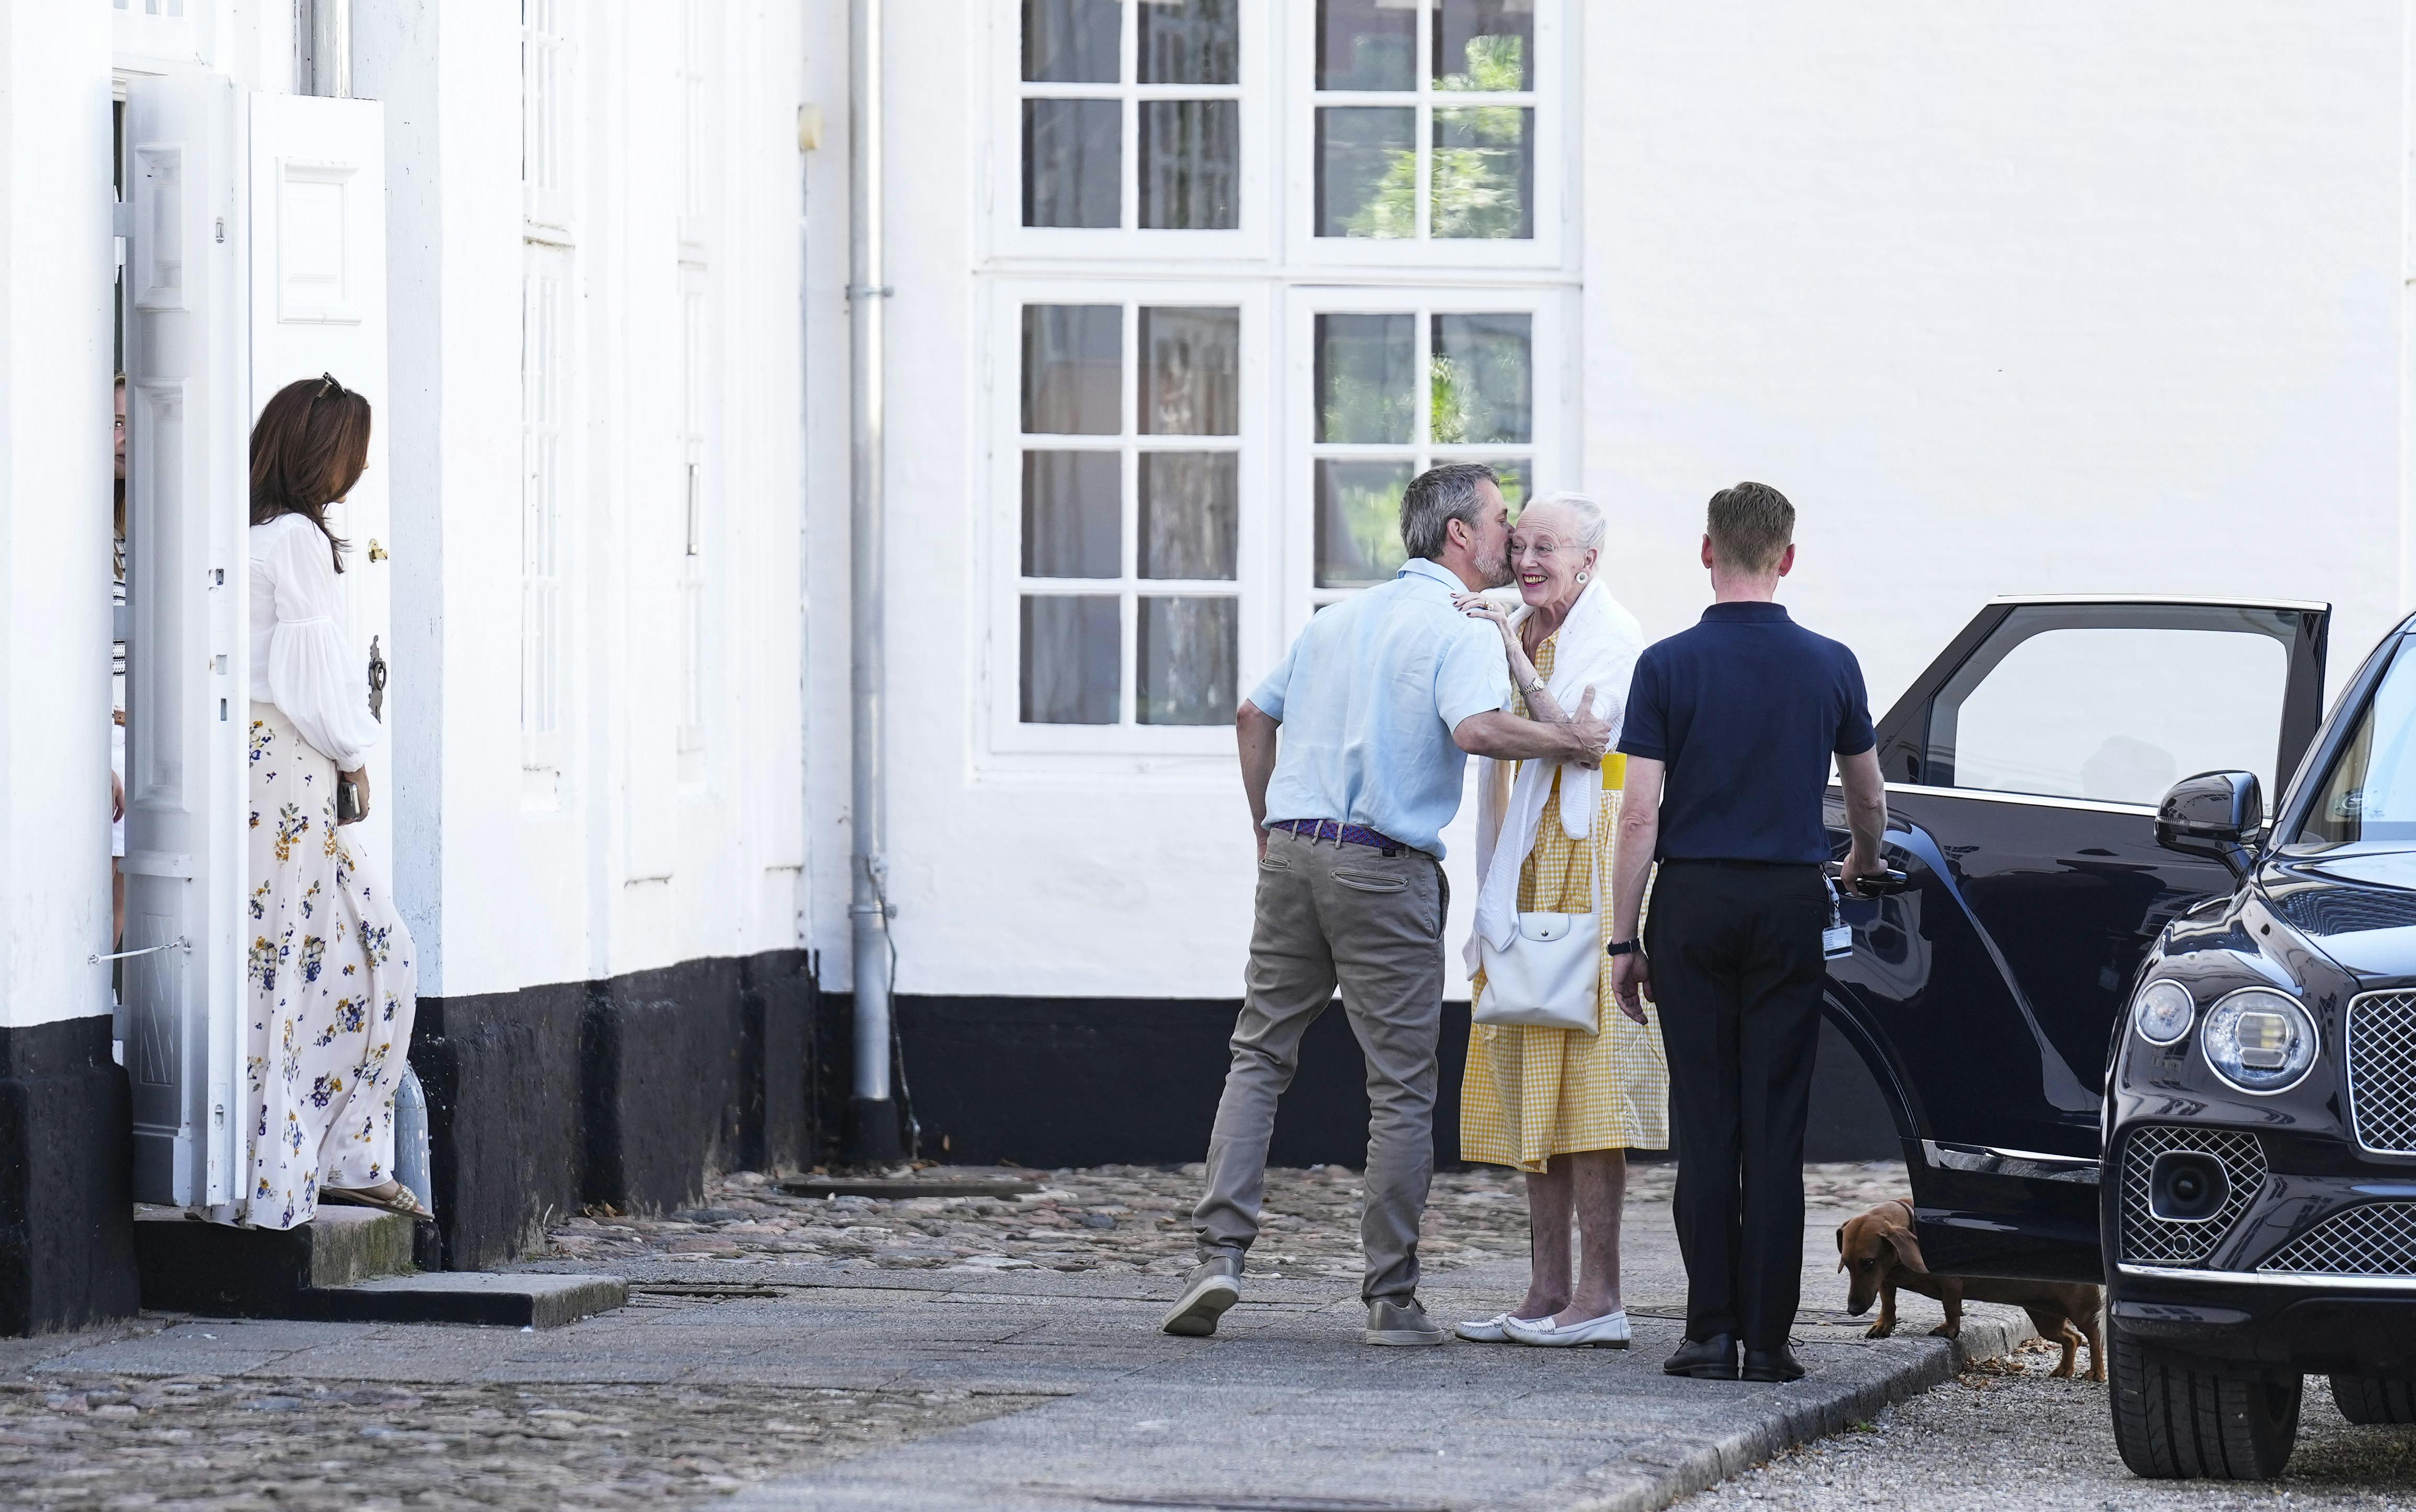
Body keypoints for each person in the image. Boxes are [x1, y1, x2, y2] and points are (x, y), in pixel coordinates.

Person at [1162, 463, 1613, 1347]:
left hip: (1292, 852)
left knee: (1257, 1055)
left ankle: (1218, 1255)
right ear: (1457, 534)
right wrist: (1564, 738)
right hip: (1383, 866)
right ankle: (1390, 1296)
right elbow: (1476, 729)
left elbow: (1254, 715)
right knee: (1401, 1088)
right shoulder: (1460, 624)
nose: (1510, 539)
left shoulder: (1338, 617)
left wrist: (1264, 824)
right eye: (1499, 522)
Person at [1606, 482, 1887, 1383]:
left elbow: (1639, 813)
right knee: (1775, 1124)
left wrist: (1623, 938)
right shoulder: (1831, 663)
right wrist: (1861, 862)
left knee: (1706, 1121)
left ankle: (1706, 1333)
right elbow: (1868, 795)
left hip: (1691, 902)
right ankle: (1768, 1343)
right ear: (1788, 558)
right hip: (1786, 903)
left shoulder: (1664, 666)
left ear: (1706, 552)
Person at [1447, 494, 1666, 1349]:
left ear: (1588, 561)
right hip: (1524, 862)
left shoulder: (1614, 636)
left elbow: (1582, 741)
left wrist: (1510, 655)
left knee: (1590, 1084)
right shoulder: (1518, 622)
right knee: (1527, 1065)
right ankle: (1545, 1290)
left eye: (1548, 547)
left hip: (1589, 860)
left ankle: (1601, 1297)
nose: (1528, 559)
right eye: (1521, 543)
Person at [243, 373, 428, 1227]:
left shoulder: (254, 534)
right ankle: (311, 1159)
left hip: (269, 761)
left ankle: (331, 1153)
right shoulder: (296, 541)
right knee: (333, 957)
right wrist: (356, 753)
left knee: (355, 951)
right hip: (290, 759)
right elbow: (307, 674)